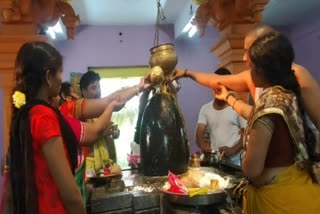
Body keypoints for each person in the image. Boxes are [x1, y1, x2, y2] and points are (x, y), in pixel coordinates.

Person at [214, 32, 320, 214]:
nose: (249, 71)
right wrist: (228, 97)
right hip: (302, 192)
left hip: (279, 202)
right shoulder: (287, 96)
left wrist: (244, 153)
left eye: (251, 67)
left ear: (263, 70)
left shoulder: (267, 107)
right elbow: (252, 114)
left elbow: (252, 169)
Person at [171, 25, 320, 146]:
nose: (243, 58)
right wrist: (185, 73)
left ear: (265, 49)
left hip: (296, 169)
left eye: (247, 51)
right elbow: (216, 80)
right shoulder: (254, 78)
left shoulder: (299, 75)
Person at [6, 42, 86, 214]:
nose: (60, 79)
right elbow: (70, 194)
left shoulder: (26, 113)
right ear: (49, 76)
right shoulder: (43, 116)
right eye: (60, 72)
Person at [196, 68, 246, 165]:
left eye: (224, 87)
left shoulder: (238, 107)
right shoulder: (205, 108)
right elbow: (199, 134)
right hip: (215, 162)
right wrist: (204, 145)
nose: (219, 90)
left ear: (230, 88)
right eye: (216, 86)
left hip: (235, 163)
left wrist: (232, 150)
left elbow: (246, 136)